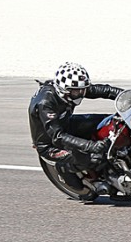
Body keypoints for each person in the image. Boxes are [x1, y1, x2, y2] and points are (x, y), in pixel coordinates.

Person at [28, 62, 124, 195]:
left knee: (113, 122)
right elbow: (58, 136)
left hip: (66, 124)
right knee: (93, 158)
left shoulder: (74, 87)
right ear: (64, 90)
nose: (81, 94)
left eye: (83, 89)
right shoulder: (46, 104)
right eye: (76, 91)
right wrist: (90, 146)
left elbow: (105, 91)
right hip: (51, 144)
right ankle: (65, 170)